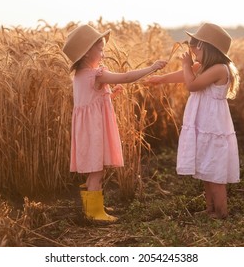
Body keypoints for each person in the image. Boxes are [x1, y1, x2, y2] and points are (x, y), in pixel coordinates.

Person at [62, 24, 167, 222]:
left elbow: (91, 102)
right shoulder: (97, 75)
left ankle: (92, 206)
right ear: (86, 53)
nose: (103, 54)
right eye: (100, 50)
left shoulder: (79, 76)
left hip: (87, 130)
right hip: (95, 131)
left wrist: (110, 95)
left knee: (95, 170)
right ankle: (94, 214)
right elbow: (126, 77)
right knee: (97, 172)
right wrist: (152, 68)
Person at [146, 23, 240, 219]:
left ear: (205, 47)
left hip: (213, 126)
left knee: (215, 170)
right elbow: (183, 76)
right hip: (203, 124)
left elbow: (192, 84)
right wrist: (161, 79)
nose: (191, 51)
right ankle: (210, 209)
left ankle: (221, 211)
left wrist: (186, 65)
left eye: (194, 46)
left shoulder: (220, 69)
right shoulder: (205, 66)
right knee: (206, 168)